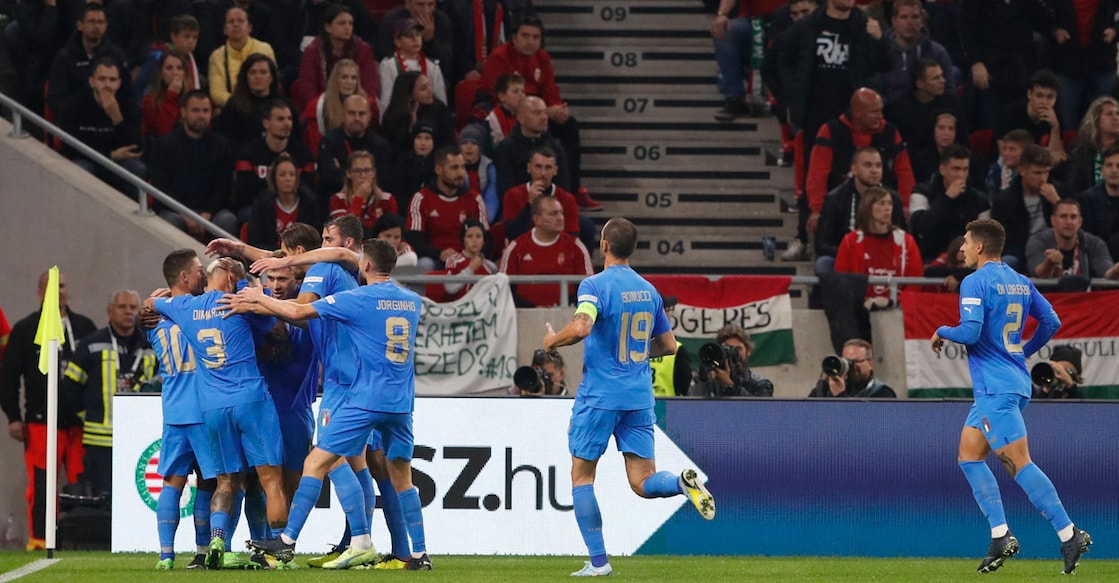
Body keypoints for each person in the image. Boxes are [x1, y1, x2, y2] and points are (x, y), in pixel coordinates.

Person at [235, 238, 429, 571]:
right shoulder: (412, 301)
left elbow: (298, 311)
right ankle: (420, 555)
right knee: (403, 479)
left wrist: (259, 297)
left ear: (365, 265)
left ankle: (286, 541)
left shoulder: (357, 299)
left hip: (364, 399)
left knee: (316, 462)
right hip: (401, 403)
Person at [542, 217, 714, 577]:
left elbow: (583, 326)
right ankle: (681, 483)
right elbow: (668, 346)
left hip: (600, 397)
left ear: (603, 245)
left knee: (582, 477)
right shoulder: (649, 290)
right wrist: (634, 353)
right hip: (638, 398)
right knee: (643, 481)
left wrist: (552, 341)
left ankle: (599, 562)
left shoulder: (594, 285)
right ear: (631, 248)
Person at [930, 218, 1091, 575]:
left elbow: (970, 333)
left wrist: (941, 330)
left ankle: (1069, 533)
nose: (961, 248)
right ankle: (1000, 534)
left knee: (1019, 463)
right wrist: (1020, 351)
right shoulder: (1020, 281)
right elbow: (1051, 321)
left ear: (980, 247)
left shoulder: (973, 282)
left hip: (995, 388)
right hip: (1011, 383)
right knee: (969, 455)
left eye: (966, 242)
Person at [150, 251, 288, 569]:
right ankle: (277, 552)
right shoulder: (241, 303)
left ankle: (211, 542)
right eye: (237, 275)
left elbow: (151, 305)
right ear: (229, 277)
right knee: (269, 480)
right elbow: (279, 330)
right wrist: (254, 291)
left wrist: (151, 303)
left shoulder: (183, 307)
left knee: (222, 482)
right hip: (250, 399)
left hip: (209, 407)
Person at [0, 270, 97, 550]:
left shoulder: (84, 327)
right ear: (40, 292)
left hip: (80, 424)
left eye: (63, 286)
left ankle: (81, 540)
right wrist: (14, 417)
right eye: (53, 286)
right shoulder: (26, 328)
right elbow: (8, 377)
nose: (59, 291)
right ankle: (40, 541)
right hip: (40, 422)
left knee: (82, 484)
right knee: (42, 484)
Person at [145, 280, 218, 570]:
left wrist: (152, 300)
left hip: (174, 412)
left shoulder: (154, 327)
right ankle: (201, 553)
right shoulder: (196, 321)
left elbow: (146, 314)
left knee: (172, 483)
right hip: (202, 411)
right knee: (208, 482)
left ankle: (165, 554)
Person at [62, 290, 157, 496]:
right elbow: (69, 385)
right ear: (109, 311)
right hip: (100, 441)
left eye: (133, 307)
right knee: (103, 499)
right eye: (122, 307)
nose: (128, 312)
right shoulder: (92, 344)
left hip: (140, 438)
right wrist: (85, 415)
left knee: (135, 495)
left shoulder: (150, 345)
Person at [148, 89, 239, 239]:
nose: (201, 115)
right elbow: (160, 187)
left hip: (211, 212)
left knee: (227, 220)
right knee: (169, 221)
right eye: (195, 110)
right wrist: (186, 215)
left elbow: (224, 186)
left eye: (205, 111)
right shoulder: (165, 145)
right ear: (183, 112)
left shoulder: (222, 146)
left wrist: (207, 214)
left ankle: (226, 263)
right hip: (176, 211)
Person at [58, 56, 147, 199]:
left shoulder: (129, 107)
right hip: (88, 161)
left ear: (119, 83)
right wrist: (110, 155)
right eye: (102, 79)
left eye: (112, 80)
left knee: (137, 169)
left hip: (118, 165)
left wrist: (117, 118)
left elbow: (136, 148)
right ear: (92, 81)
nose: (107, 85)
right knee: (81, 168)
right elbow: (69, 147)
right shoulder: (74, 105)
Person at [814, 147, 907, 275]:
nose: (874, 171)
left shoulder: (893, 198)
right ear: (854, 169)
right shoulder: (835, 199)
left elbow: (902, 235)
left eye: (878, 166)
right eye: (868, 165)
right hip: (846, 255)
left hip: (884, 254)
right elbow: (822, 244)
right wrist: (852, 252)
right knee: (823, 264)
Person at [835, 186, 923, 307]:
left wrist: (895, 302)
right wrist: (862, 302)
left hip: (898, 310)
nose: (887, 208)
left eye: (889, 204)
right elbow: (841, 280)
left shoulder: (906, 241)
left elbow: (915, 282)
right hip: (859, 309)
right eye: (881, 203)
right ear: (868, 207)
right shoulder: (850, 241)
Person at [499, 196, 593, 307]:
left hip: (566, 316)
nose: (560, 218)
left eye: (561, 213)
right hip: (524, 317)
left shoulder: (576, 247)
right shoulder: (516, 248)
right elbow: (502, 289)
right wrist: (531, 307)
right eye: (553, 214)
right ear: (537, 219)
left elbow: (589, 289)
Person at [406, 145, 489, 270]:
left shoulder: (475, 199)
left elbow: (486, 238)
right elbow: (414, 239)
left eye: (462, 167)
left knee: (492, 267)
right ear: (438, 169)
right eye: (454, 168)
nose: (461, 173)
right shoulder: (421, 198)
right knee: (424, 265)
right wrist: (439, 253)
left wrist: (466, 255)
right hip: (434, 258)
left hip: (468, 259)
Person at [233, 99, 316, 223]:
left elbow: (307, 190)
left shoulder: (303, 154)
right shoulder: (248, 152)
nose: (287, 123)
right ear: (266, 123)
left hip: (293, 207)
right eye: (280, 119)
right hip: (257, 207)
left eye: (289, 119)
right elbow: (245, 191)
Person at [909, 144, 992, 261]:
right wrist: (947, 198)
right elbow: (921, 226)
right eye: (956, 169)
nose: (961, 175)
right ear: (942, 169)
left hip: (966, 261)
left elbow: (983, 238)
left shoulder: (980, 200)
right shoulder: (921, 192)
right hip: (930, 258)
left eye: (965, 169)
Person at [46, 3, 130, 115]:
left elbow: (127, 93)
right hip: (74, 120)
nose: (96, 27)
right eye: (91, 21)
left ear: (106, 26)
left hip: (108, 119)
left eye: (100, 22)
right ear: (80, 25)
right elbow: (56, 98)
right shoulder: (64, 58)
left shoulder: (116, 56)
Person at [294, 3, 378, 114]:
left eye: (350, 24)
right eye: (342, 23)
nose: (347, 28)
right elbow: (308, 89)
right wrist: (327, 108)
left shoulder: (363, 50)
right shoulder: (313, 51)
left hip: (357, 108)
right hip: (322, 109)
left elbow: (370, 87)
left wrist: (357, 106)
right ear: (328, 27)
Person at [991, 145, 1061, 270]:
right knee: (1005, 263)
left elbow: (1072, 225)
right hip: (1019, 254)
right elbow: (1002, 241)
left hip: (1053, 249)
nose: (1043, 178)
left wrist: (1057, 202)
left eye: (1046, 172)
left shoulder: (1059, 191)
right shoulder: (1004, 200)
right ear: (1022, 171)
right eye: (1037, 173)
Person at [317, 94, 394, 204]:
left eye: (361, 114)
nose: (357, 118)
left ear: (369, 117)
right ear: (343, 115)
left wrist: (343, 171)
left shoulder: (381, 146)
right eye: (352, 113)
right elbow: (328, 177)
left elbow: (383, 179)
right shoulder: (329, 141)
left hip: (372, 203)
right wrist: (365, 176)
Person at [1025, 199, 1119, 285]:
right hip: (1049, 299)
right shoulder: (1038, 241)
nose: (1069, 222)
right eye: (1063, 216)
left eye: (1073, 217)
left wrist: (1115, 270)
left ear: (1080, 222)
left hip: (1084, 299)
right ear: (1053, 220)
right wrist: (1049, 263)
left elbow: (1107, 273)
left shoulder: (1094, 243)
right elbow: (1038, 274)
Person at [881, 0, 956, 104]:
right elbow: (876, 91)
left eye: (915, 17)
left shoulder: (937, 52)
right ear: (894, 21)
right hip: (889, 113)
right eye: (904, 17)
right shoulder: (880, 52)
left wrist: (945, 115)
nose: (909, 22)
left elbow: (949, 92)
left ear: (921, 21)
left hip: (929, 112)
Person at [246, 153, 322, 249]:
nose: (288, 179)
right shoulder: (262, 204)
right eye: (282, 175)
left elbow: (316, 240)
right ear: (274, 178)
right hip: (271, 257)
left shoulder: (310, 202)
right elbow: (254, 242)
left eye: (292, 175)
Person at [302, 60, 379, 155]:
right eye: (344, 77)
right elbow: (317, 145)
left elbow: (374, 136)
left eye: (353, 78)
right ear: (336, 79)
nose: (349, 82)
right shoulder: (318, 106)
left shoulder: (369, 104)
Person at [207, 6, 275, 109]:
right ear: (225, 30)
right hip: (232, 108)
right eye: (231, 21)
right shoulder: (217, 56)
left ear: (249, 28)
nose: (236, 24)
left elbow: (272, 83)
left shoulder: (265, 49)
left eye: (240, 21)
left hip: (263, 106)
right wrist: (240, 105)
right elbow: (216, 93)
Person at [994, 69, 1068, 164]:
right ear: (1029, 94)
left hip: (1041, 170)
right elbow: (1006, 155)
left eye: (1050, 97)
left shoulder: (1056, 118)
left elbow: (1059, 158)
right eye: (1039, 96)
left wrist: (1055, 128)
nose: (1044, 102)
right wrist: (1046, 157)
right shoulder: (1009, 114)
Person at [378, 17, 447, 115]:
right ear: (398, 41)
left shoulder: (433, 66)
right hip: (400, 115)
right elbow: (386, 100)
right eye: (409, 36)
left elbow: (441, 101)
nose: (415, 39)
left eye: (418, 35)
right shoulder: (388, 65)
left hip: (427, 115)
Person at [688, 324, 773, 398]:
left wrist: (729, 386)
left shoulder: (761, 384)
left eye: (738, 349)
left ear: (748, 351)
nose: (733, 353)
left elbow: (758, 411)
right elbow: (694, 407)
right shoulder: (711, 380)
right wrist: (704, 379)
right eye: (727, 348)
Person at [329, 150, 398, 236]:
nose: (363, 176)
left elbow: (394, 232)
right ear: (349, 173)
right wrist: (359, 199)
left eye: (367, 170)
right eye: (358, 171)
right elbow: (344, 230)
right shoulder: (338, 199)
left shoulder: (387, 199)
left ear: (374, 172)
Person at [1064, 97, 1119, 195]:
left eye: (1117, 113)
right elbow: (1074, 188)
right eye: (1109, 114)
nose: (1116, 118)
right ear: (1096, 120)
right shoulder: (1082, 153)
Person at [807, 338, 895, 398]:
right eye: (846, 361)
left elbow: (859, 423)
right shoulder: (831, 387)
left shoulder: (882, 393)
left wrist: (840, 396)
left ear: (870, 364)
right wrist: (823, 384)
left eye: (856, 361)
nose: (851, 366)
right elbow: (809, 413)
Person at [1077, 143, 1119, 259]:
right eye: (1109, 165)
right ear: (1102, 169)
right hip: (1097, 262)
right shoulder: (1087, 199)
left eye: (1118, 166)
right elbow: (1087, 241)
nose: (1114, 170)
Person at [441, 218, 497, 301]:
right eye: (469, 236)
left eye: (478, 236)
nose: (474, 240)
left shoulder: (489, 267)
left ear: (483, 241)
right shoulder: (453, 260)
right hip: (456, 309)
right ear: (463, 240)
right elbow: (450, 288)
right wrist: (470, 269)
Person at [649, 295, 691, 397]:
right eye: (667, 310)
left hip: (639, 403)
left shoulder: (631, 345)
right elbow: (685, 385)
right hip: (669, 405)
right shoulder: (677, 348)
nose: (670, 314)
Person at [140, 51, 189, 138]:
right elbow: (165, 132)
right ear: (161, 73)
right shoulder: (149, 101)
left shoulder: (192, 99)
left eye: (179, 68)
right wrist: (171, 95)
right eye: (169, 68)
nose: (175, 73)